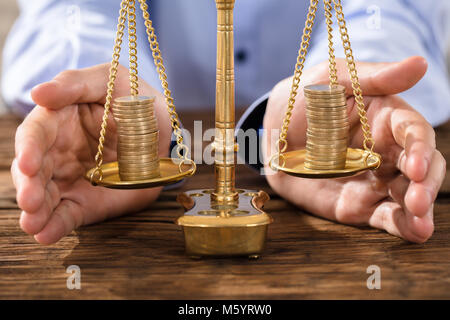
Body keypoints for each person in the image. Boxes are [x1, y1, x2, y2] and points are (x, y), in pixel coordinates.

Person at [4, 0, 449, 245]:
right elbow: (69, 9)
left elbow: (394, 6)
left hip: (290, 128)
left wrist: (352, 82)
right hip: (159, 125)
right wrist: (100, 86)